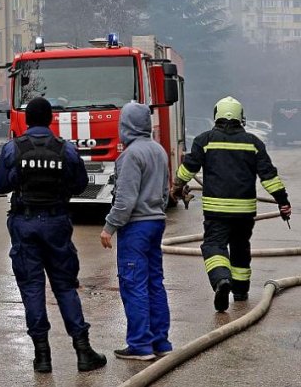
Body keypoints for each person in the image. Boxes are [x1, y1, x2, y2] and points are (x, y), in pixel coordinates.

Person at [0, 97, 107, 374]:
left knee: (32, 288)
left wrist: (19, 178)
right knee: (65, 287)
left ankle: (42, 357)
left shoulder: (12, 149)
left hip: (24, 223)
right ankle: (83, 352)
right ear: (50, 120)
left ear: (27, 121)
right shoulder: (65, 149)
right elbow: (80, 185)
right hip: (56, 223)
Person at [174, 96, 292, 312]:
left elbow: (187, 169)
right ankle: (240, 292)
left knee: (214, 245)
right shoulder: (253, 143)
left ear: (216, 115)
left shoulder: (204, 140)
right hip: (244, 213)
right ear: (240, 117)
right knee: (240, 248)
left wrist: (177, 185)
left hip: (216, 211)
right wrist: (283, 201)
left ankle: (221, 280)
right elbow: (269, 176)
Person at [100, 102, 172, 361]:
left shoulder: (130, 155)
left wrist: (110, 227)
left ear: (126, 126)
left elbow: (125, 199)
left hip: (136, 227)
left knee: (133, 283)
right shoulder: (159, 151)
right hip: (156, 222)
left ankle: (140, 345)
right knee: (154, 282)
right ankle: (160, 342)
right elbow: (165, 192)